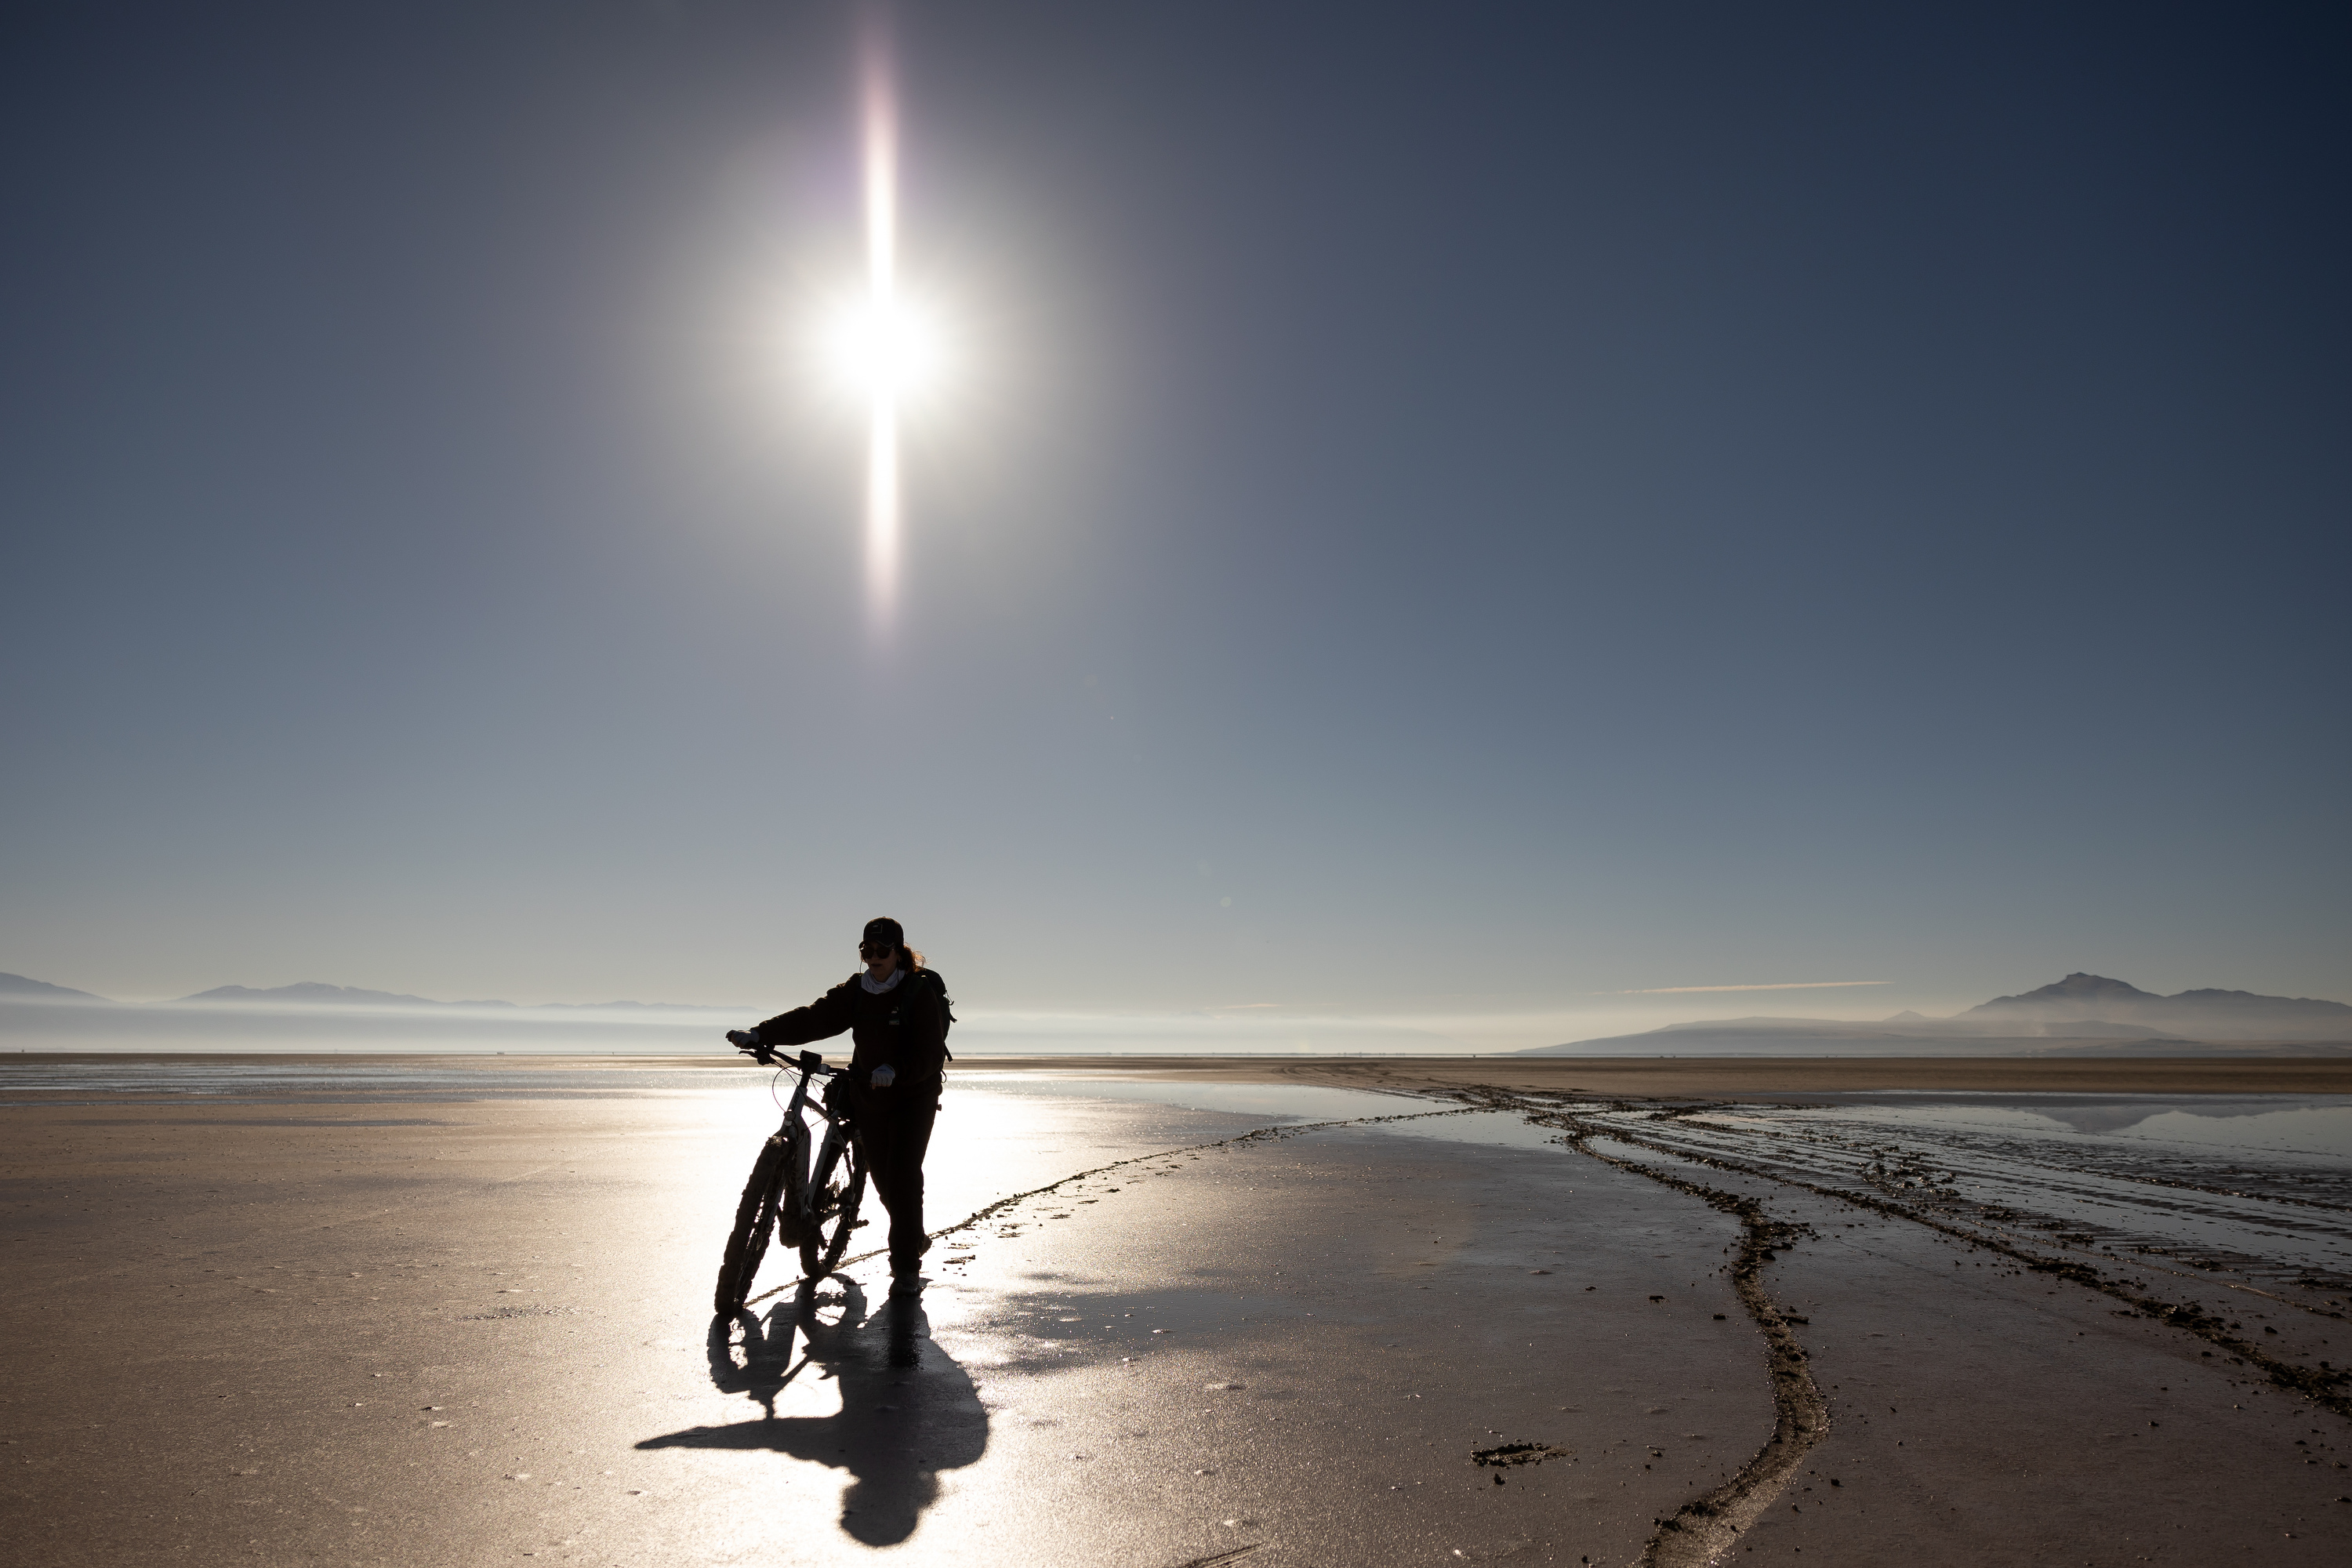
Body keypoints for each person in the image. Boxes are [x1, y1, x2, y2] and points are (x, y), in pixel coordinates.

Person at [727, 917, 949, 1292]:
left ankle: (906, 1268)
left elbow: (930, 1053)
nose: (874, 957)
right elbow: (816, 1017)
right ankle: (912, 1234)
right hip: (870, 1094)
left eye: (882, 951)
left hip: (913, 1096)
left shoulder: (916, 993)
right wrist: (763, 1033)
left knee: (903, 1173)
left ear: (899, 953)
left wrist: (895, 1069)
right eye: (867, 950)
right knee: (883, 1182)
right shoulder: (857, 991)